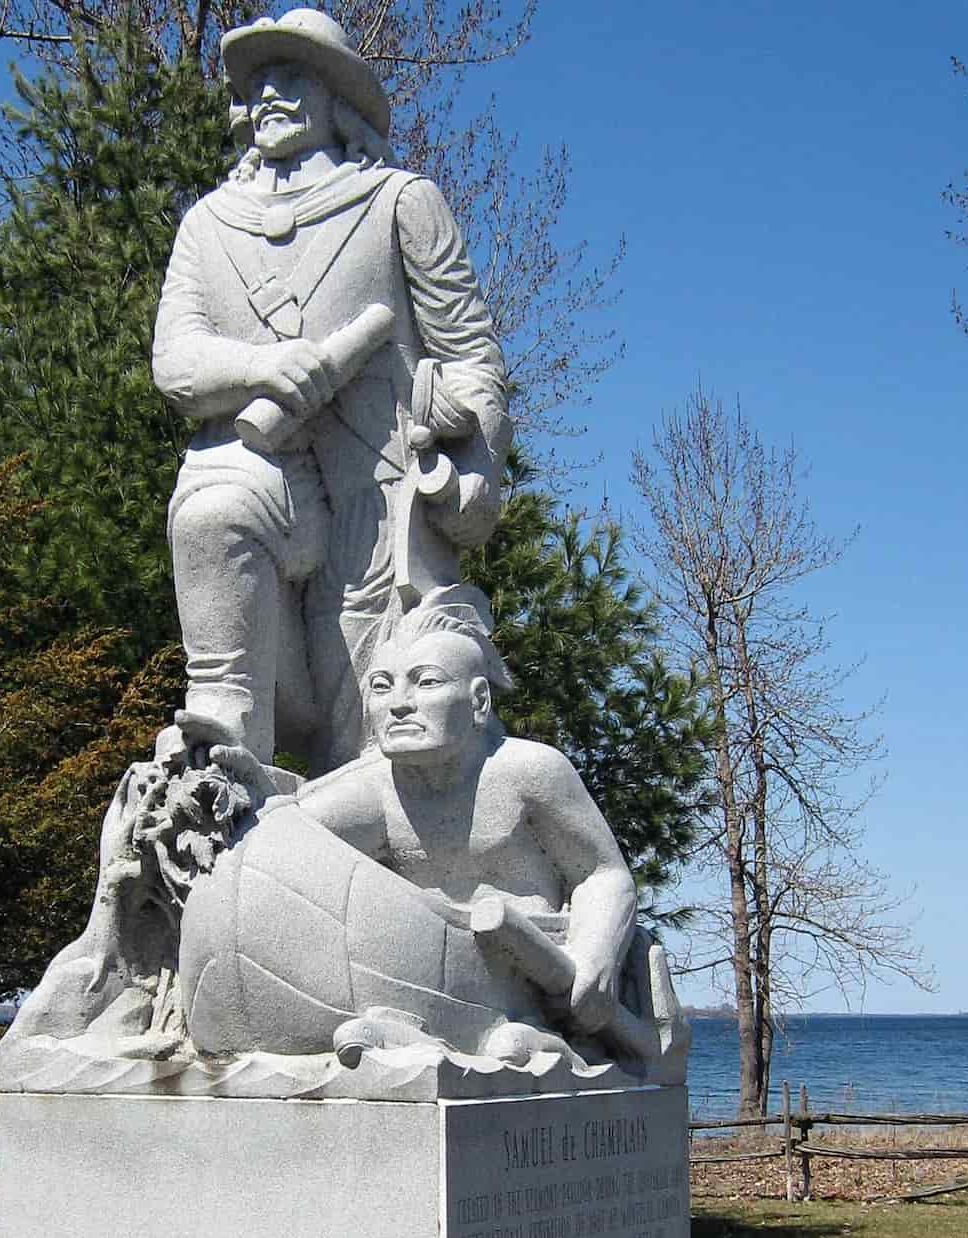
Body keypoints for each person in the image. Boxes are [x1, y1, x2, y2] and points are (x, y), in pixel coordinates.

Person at [152, 9, 511, 776]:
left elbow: (470, 351)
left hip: (376, 493)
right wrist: (260, 371)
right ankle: (225, 753)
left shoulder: (399, 201)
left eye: (296, 76)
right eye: (260, 81)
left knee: (374, 739)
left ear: (340, 97)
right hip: (256, 472)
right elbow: (175, 361)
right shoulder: (207, 225)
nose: (273, 94)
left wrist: (468, 462)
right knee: (212, 513)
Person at [183, 591, 685, 1070]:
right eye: (382, 686)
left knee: (514, 1038)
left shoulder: (527, 772)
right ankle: (418, 1033)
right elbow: (285, 832)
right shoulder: (378, 786)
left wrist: (595, 956)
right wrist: (245, 781)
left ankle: (517, 1039)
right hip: (425, 963)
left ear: (479, 702)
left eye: (425, 682)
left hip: (529, 971)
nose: (399, 703)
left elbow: (603, 873)